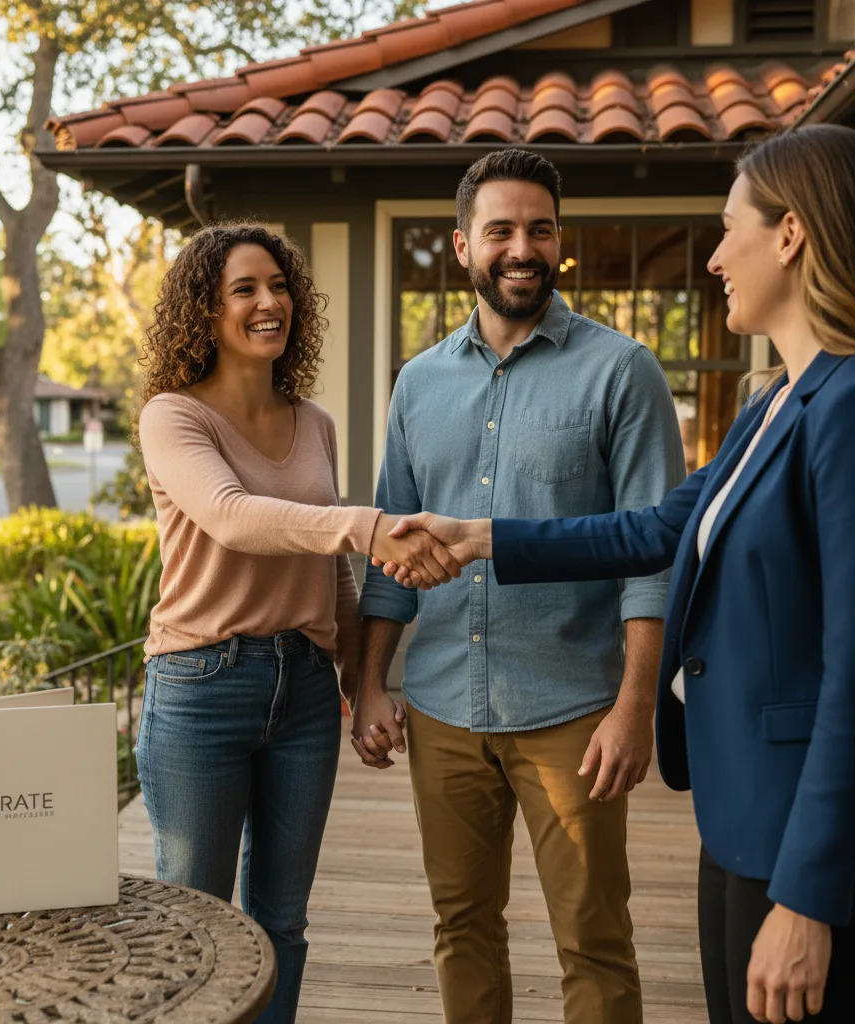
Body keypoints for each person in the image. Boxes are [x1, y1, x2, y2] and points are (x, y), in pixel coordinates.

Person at [379, 124, 855, 1024]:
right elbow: (652, 529)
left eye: (728, 229)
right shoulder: (769, 408)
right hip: (737, 809)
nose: (714, 257)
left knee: (600, 942)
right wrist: (479, 538)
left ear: (789, 236)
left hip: (789, 824)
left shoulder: (842, 410)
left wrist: (811, 892)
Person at [352, 149, 687, 1024]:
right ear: (463, 246)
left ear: (559, 244)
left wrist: (635, 705)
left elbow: (652, 555)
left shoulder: (623, 372)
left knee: (593, 937)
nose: (521, 247)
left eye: (539, 229)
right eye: (499, 230)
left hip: (573, 710)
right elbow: (394, 544)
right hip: (442, 709)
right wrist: (368, 682)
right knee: (461, 924)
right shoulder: (417, 385)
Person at [133, 222, 460, 1024]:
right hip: (201, 686)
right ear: (203, 312)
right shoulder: (173, 417)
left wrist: (365, 685)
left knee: (283, 921)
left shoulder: (313, 422)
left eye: (278, 286)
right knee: (192, 923)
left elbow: (328, 574)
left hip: (306, 693)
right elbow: (234, 518)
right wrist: (369, 524)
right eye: (243, 289)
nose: (268, 302)